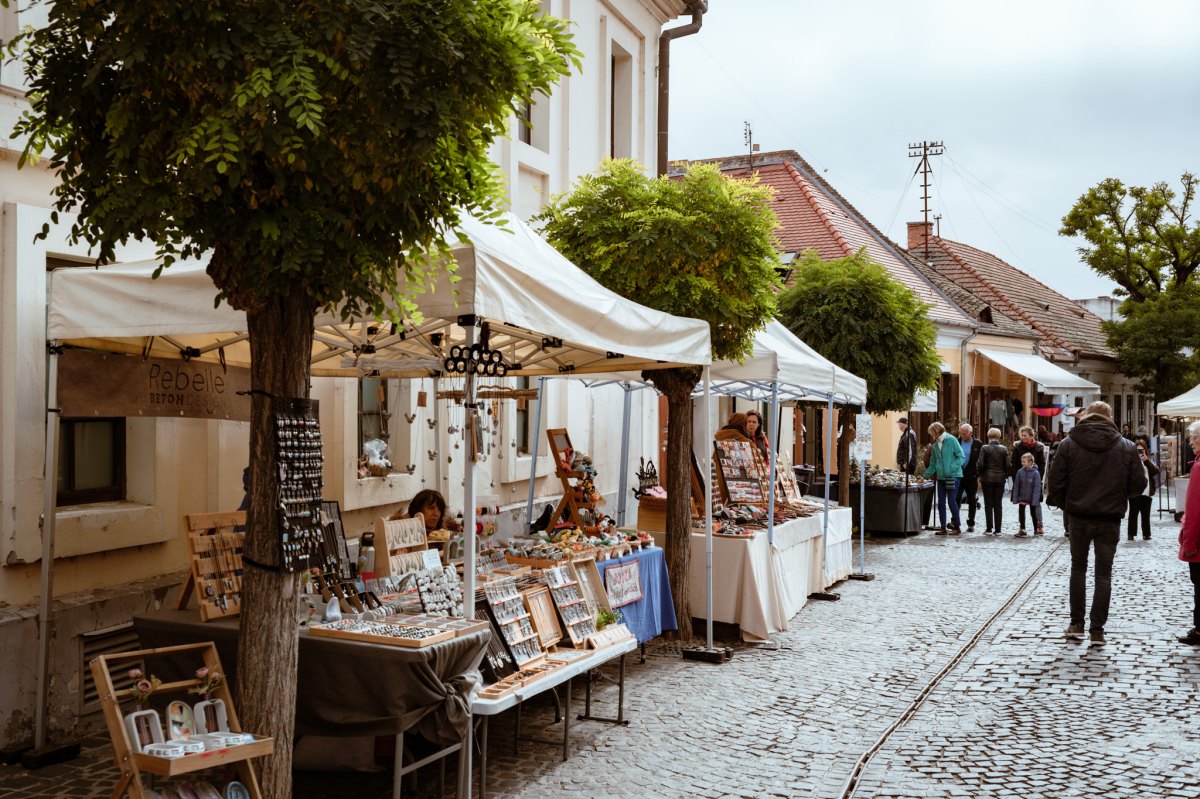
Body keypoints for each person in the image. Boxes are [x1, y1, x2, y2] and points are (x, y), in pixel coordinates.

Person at [1047, 400, 1146, 645]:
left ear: (1087, 416)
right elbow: (1139, 484)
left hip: (1079, 516)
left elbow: (1055, 482)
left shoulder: (1069, 443)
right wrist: (1120, 496)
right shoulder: (1126, 446)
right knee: (1103, 574)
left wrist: (1067, 504)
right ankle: (1097, 630)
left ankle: (1076, 624)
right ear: (1110, 418)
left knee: (1078, 569)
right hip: (1109, 518)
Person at [1176, 421, 1200, 646]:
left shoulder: (1199, 468)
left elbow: (1193, 510)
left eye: (1194, 437)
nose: (1191, 442)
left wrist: (1189, 542)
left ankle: (1199, 629)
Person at [924, 422, 965, 535]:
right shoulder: (935, 445)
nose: (931, 436)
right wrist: (924, 476)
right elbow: (933, 464)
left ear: (937, 432)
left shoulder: (952, 440)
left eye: (932, 433)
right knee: (941, 502)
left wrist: (951, 468)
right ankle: (943, 528)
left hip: (954, 476)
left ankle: (957, 527)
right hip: (941, 477)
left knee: (951, 501)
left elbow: (961, 457)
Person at [1127, 438, 1159, 541]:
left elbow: (1155, 471)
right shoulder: (1131, 461)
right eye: (1138, 451)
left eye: (1141, 450)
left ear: (1145, 450)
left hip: (1147, 491)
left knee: (1146, 514)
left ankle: (1146, 534)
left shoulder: (1148, 460)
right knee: (1133, 514)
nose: (1140, 453)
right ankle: (1131, 534)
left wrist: (1146, 460)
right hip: (1135, 492)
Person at [978, 428, 1009, 535]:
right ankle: (998, 529)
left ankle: (989, 529)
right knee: (998, 504)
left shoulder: (984, 448)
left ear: (988, 436)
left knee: (988, 504)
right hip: (1000, 479)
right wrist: (1004, 474)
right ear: (999, 436)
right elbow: (1007, 465)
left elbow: (981, 464)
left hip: (987, 479)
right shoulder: (1004, 449)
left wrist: (980, 474)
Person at [956, 423, 981, 532]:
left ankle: (971, 523)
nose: (962, 435)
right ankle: (955, 522)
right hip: (958, 474)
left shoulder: (977, 444)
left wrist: (978, 473)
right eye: (961, 433)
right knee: (956, 498)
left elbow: (981, 459)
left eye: (964, 433)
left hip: (971, 475)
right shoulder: (957, 441)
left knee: (972, 500)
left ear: (970, 433)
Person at [1012, 452, 1044, 536]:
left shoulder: (1036, 473)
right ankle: (1022, 529)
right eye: (1022, 461)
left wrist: (1035, 500)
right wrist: (1015, 498)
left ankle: (1036, 529)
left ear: (1030, 462)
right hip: (1022, 497)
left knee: (1033, 514)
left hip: (1031, 497)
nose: (1022, 463)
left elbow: (1037, 488)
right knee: (1021, 513)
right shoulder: (1019, 472)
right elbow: (1016, 486)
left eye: (1024, 462)